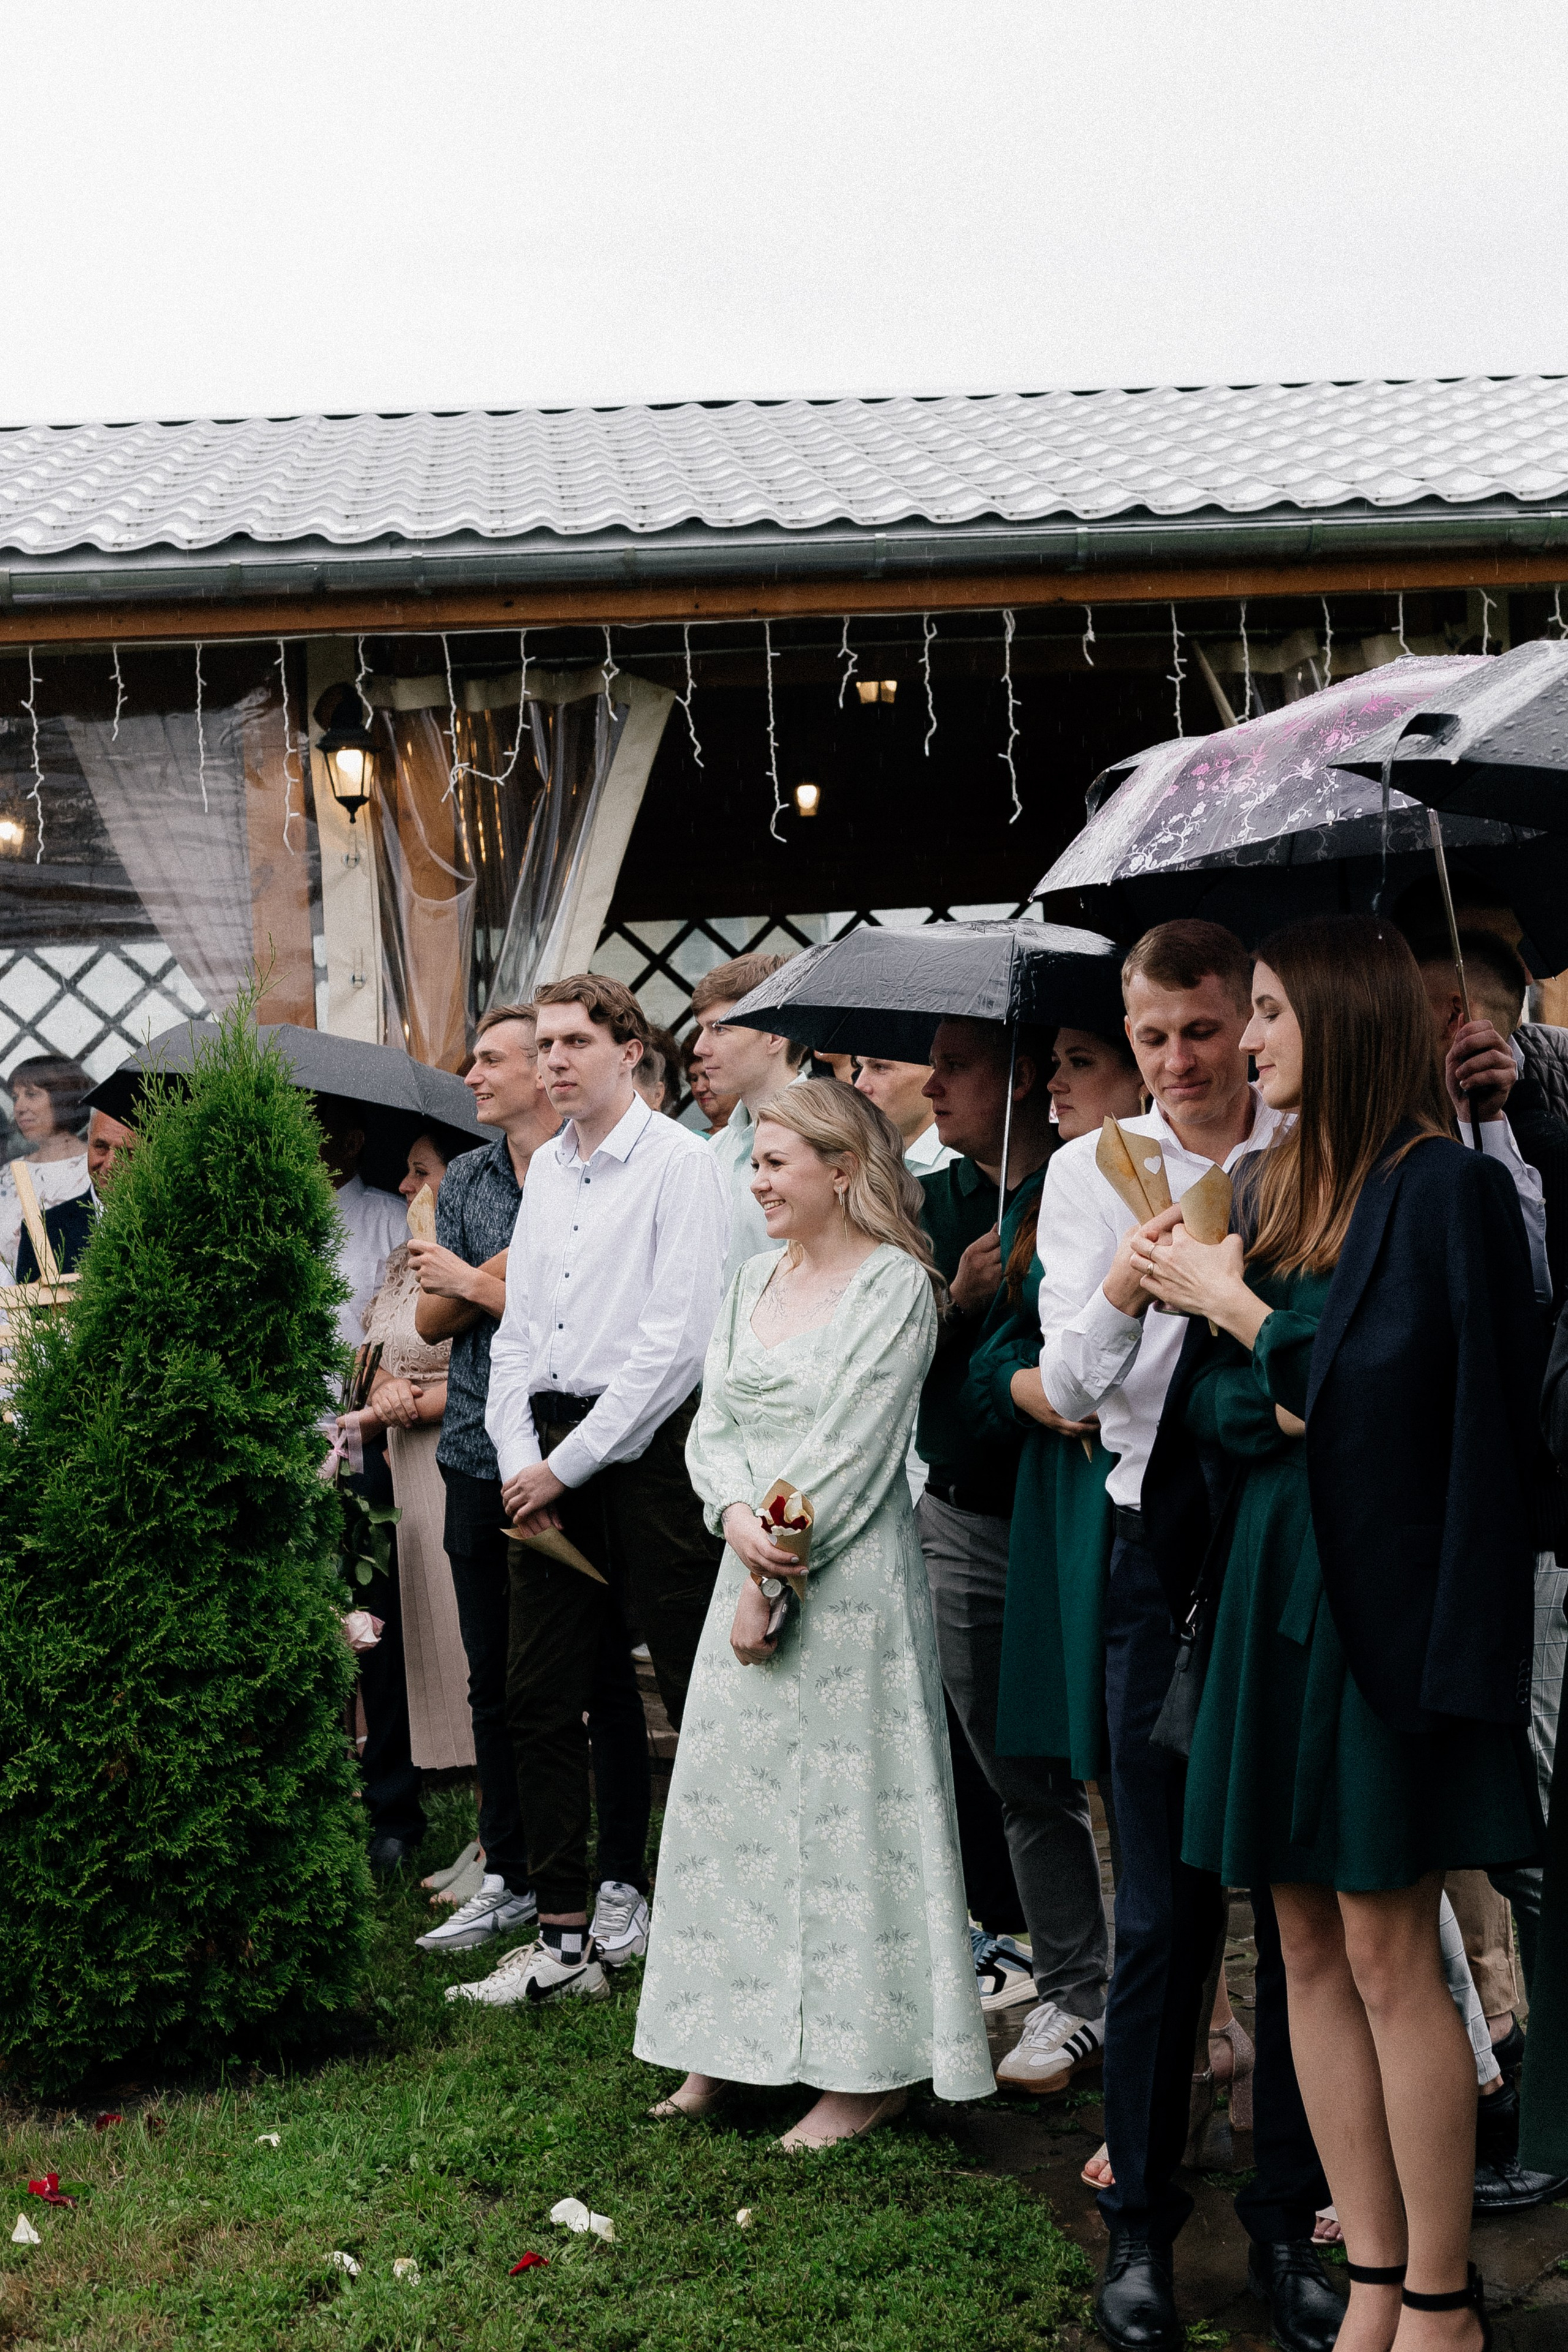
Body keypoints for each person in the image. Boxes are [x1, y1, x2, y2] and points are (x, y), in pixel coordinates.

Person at [1136, 913, 1544, 2352]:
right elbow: (1226, 1415)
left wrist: (1249, 1319)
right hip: (1262, 1588)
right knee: (1294, 1944)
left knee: (1385, 1948)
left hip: (1378, 1599)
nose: (1242, 1041)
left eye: (1260, 1012)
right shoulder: (1272, 1184)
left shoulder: (1443, 1192)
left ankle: (1437, 2295)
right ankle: (1367, 2271)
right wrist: (1274, 1364)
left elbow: (1427, 1412)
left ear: (1340, 1012)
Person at [1036, 922, 1340, 2352]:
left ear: (1243, 1019)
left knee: (1291, 1911)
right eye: (1151, 1037)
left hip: (1283, 1534)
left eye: (1203, 1029)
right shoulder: (1086, 1175)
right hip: (1147, 1551)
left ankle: (1289, 2218)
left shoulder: (1309, 1145)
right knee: (1158, 1910)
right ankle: (1141, 2225)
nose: (1177, 1061)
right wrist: (1124, 1286)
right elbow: (1068, 1382)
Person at [634, 1080, 993, 2141]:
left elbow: (856, 1442)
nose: (758, 1181)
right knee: (732, 1817)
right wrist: (734, 1515)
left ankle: (864, 2069)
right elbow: (715, 1423)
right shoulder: (751, 1281)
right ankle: (724, 2045)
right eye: (756, 1163)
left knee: (847, 1819)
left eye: (777, 1163)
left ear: (843, 1170)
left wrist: (771, 1570)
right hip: (745, 1563)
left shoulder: (895, 1287)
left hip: (848, 1597)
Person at [454, 974, 729, 2008]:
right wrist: (527, 1460)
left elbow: (677, 1345)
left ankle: (711, 1922)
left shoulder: (681, 1166)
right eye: (549, 1045)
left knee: (701, 1691)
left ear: (629, 1049)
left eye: (577, 1042)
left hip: (651, 1450)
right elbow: (518, 1334)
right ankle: (565, 1942)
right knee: (536, 1693)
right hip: (547, 1447)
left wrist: (567, 1467)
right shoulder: (551, 1176)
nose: (558, 1061)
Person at [914, 1017, 1112, 2071]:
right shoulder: (932, 1204)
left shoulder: (1078, 1190)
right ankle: (1076, 1985)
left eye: (957, 1065)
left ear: (1025, 1077)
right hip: (958, 1516)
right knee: (1016, 1773)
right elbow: (886, 1358)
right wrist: (957, 1303)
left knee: (1109, 1770)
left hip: (1063, 1512)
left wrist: (1012, 1380)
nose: (931, 1085)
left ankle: (1169, 2006)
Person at [962, 1023, 1144, 2094]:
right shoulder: (1046, 1198)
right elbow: (999, 1373)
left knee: (1151, 1772)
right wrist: (1045, 1391)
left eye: (1081, 1062)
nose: (1055, 1083)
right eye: (1056, 1060)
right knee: (1078, 1764)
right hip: (1061, 1486)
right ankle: (1108, 2000)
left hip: (1145, 1493)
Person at [409, 1002, 558, 1951]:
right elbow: (427, 1322)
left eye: (491, 1058)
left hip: (568, 1448)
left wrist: (479, 1280)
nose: (474, 1073)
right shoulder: (466, 1174)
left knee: (578, 1683)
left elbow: (579, 1309)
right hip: (472, 1447)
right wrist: (496, 1280)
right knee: (491, 1678)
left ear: (544, 1072)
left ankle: (594, 1877)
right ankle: (506, 1867)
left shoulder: (592, 1168)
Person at [355, 1133, 475, 1777]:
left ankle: (495, 1839)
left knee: (465, 1641)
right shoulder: (406, 1259)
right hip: (396, 1469)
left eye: (419, 1172)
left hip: (452, 1459)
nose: (405, 1186)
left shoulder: (481, 1259)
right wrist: (383, 1388)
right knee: (412, 1639)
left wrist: (417, 1403)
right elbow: (369, 1348)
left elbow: (509, 1364)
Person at [690, 952, 808, 1292]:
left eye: (719, 1028)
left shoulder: (832, 1139)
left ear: (774, 1036)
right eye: (702, 1030)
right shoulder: (715, 1149)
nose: (700, 1047)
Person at [1, 1055, 91, 1276]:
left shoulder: (95, 1166)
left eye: (31, 1095)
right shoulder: (7, 1175)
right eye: (15, 1098)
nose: (20, 1107)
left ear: (63, 1098)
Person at [853, 1054, 957, 1175]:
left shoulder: (957, 1170)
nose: (859, 1085)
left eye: (880, 1067)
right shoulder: (870, 1158)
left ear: (935, 1075)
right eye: (860, 1067)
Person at [683, 1035, 737, 1136]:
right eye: (694, 1079)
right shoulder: (690, 1142)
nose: (699, 1089)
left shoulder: (763, 1133)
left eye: (708, 1076)